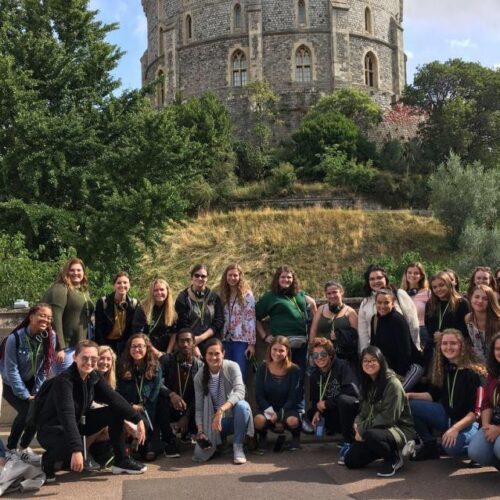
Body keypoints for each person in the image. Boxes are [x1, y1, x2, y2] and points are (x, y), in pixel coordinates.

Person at [36, 340, 147, 482]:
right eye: (85, 358)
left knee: (115, 411)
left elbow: (114, 398)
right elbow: (67, 416)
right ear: (75, 357)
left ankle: (121, 461)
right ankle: (48, 461)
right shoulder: (64, 381)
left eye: (94, 359)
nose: (89, 362)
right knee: (69, 446)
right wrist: (77, 450)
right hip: (52, 429)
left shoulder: (93, 376)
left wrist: (137, 419)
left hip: (76, 424)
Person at [407, 329, 486, 461]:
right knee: (410, 405)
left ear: (461, 346)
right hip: (446, 416)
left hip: (468, 422)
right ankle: (430, 445)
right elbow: (431, 396)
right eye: (444, 343)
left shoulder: (474, 373)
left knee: (451, 448)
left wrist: (455, 428)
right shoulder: (444, 369)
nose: (448, 347)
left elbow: (476, 412)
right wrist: (409, 395)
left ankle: (475, 449)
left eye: (453, 343)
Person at [343, 346, 415, 477]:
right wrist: (357, 424)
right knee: (351, 461)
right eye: (365, 361)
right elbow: (362, 412)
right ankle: (380, 450)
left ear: (381, 361)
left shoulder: (393, 384)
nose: (369, 364)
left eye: (373, 360)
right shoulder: (367, 383)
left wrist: (362, 429)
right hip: (375, 429)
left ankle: (394, 457)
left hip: (397, 429)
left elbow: (388, 418)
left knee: (371, 435)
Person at [0, 304, 56, 461]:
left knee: (37, 411)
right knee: (26, 412)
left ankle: (23, 447)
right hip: (11, 383)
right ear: (31, 317)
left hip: (33, 382)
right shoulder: (14, 339)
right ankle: (11, 448)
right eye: (42, 315)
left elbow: (45, 367)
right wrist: (25, 395)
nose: (46, 319)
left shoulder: (50, 336)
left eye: (49, 317)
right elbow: (11, 370)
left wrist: (37, 391)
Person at [193, 338, 253, 464]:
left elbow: (240, 392)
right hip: (213, 422)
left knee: (243, 406)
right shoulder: (199, 376)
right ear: (205, 355)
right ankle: (221, 442)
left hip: (233, 417)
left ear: (223, 353)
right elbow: (199, 407)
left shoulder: (232, 366)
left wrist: (221, 410)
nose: (214, 357)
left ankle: (238, 446)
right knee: (200, 454)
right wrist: (200, 431)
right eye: (210, 354)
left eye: (217, 354)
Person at [255, 265, 317, 381]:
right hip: (282, 346)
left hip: (301, 344)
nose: (286, 280)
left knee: (300, 378)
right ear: (277, 279)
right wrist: (264, 336)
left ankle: (299, 399)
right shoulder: (270, 297)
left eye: (289, 277)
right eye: (283, 277)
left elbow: (312, 306)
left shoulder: (299, 293)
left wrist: (312, 302)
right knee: (282, 377)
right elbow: (254, 317)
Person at [307, 337, 359, 464]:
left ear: (330, 355)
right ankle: (344, 434)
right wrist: (317, 411)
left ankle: (349, 441)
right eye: (315, 355)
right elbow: (315, 400)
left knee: (343, 401)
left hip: (351, 409)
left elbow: (351, 393)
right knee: (310, 413)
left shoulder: (343, 366)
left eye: (323, 354)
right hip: (333, 411)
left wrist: (327, 403)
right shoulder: (314, 375)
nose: (319, 358)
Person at [117, 334, 167, 461]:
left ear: (147, 348)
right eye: (133, 346)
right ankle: (140, 443)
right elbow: (118, 391)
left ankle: (140, 442)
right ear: (129, 349)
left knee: (148, 418)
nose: (136, 349)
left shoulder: (155, 367)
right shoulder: (122, 366)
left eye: (140, 346)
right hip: (128, 406)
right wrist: (130, 406)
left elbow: (155, 391)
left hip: (147, 406)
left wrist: (143, 406)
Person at [43, 257, 94, 374]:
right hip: (65, 348)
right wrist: (58, 348)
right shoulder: (60, 288)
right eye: (72, 270)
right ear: (66, 271)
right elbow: (54, 319)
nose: (76, 273)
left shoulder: (82, 290)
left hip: (79, 346)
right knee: (64, 383)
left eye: (79, 270)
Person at [159, 329, 203, 458]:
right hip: (170, 405)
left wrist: (187, 416)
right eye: (182, 341)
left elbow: (198, 395)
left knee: (205, 399)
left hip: (190, 408)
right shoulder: (166, 360)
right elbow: (157, 384)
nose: (185, 344)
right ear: (177, 343)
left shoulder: (200, 366)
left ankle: (189, 432)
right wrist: (171, 394)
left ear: (194, 343)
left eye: (188, 341)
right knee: (159, 400)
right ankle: (169, 441)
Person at [254, 336, 302, 452]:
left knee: (293, 421)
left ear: (287, 352)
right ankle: (263, 437)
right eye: (275, 349)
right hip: (267, 408)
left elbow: (293, 397)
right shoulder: (262, 368)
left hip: (288, 408)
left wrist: (280, 416)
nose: (277, 353)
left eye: (281, 350)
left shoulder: (294, 370)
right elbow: (259, 396)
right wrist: (271, 413)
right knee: (258, 420)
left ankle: (295, 437)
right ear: (270, 350)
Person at [358, 264, 420, 354]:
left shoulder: (399, 294)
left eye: (379, 278)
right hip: (379, 354)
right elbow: (363, 334)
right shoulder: (365, 303)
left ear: (385, 279)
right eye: (372, 279)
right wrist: (365, 354)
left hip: (402, 350)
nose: (376, 281)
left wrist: (415, 347)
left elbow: (413, 324)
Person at [370, 289, 424, 390]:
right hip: (388, 368)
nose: (382, 306)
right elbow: (374, 347)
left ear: (393, 303)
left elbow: (405, 351)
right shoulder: (375, 319)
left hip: (407, 368)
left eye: (386, 302)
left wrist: (398, 375)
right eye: (379, 302)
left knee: (395, 393)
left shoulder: (397, 320)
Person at [175, 264, 224, 357]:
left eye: (203, 276)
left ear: (207, 278)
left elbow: (219, 321)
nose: (200, 278)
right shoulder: (183, 298)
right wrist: (193, 344)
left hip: (211, 340)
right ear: (191, 277)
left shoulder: (214, 297)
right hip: (190, 341)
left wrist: (201, 338)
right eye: (197, 275)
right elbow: (183, 324)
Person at [219, 264, 256, 381]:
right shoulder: (223, 294)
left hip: (241, 340)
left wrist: (251, 343)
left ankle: (239, 399)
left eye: (235, 275)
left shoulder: (247, 295)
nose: (232, 278)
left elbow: (251, 319)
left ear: (240, 276)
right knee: (225, 374)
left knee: (239, 375)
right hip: (225, 339)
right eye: (230, 275)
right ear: (225, 276)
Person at [424, 272, 470, 367]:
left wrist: (445, 335)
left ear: (449, 284)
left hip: (455, 349)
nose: (438, 289)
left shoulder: (461, 303)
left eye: (441, 285)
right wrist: (434, 334)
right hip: (434, 348)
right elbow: (428, 324)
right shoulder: (430, 304)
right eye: (435, 287)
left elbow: (466, 328)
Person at [468, 333, 500, 469]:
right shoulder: (493, 373)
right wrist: (486, 426)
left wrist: (498, 430)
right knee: (476, 452)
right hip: (495, 422)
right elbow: (486, 402)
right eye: (497, 349)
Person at [309, 281, 358, 363]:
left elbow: (355, 335)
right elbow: (313, 330)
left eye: (335, 292)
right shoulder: (321, 309)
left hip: (343, 355)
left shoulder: (350, 312)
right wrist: (311, 351)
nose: (332, 296)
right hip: (321, 355)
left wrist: (340, 335)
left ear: (341, 292)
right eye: (329, 293)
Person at [95, 272, 138, 356]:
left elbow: (133, 328)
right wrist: (102, 347)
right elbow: (98, 328)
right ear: (114, 285)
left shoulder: (134, 303)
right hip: (107, 343)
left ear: (129, 285)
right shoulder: (103, 302)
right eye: (119, 283)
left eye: (125, 282)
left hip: (125, 344)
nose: (122, 285)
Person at [132, 278, 177, 355]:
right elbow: (139, 334)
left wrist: (167, 353)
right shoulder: (143, 308)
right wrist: (156, 353)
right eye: (155, 290)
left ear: (167, 291)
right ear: (151, 292)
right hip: (146, 348)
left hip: (166, 348)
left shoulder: (172, 308)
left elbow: (174, 333)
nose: (159, 292)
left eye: (162, 289)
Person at [465, 285, 500, 364]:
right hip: (478, 364)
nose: (480, 301)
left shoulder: (498, 321)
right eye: (476, 297)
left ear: (491, 301)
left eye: (485, 299)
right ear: (471, 298)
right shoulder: (468, 318)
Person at [401, 262, 431, 353]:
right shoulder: (401, 293)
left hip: (422, 330)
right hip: (406, 330)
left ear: (421, 276)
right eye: (409, 272)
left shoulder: (428, 293)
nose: (412, 275)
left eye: (416, 273)